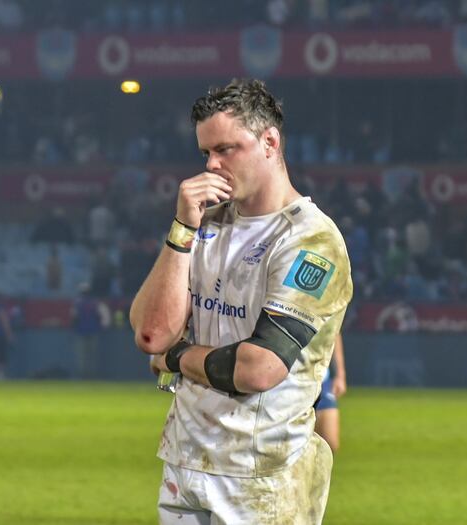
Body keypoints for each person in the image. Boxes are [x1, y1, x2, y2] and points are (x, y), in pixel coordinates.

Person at [130, 79, 353, 524]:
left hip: (261, 476)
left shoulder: (311, 240)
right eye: (205, 153)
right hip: (186, 461)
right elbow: (152, 334)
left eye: (226, 149)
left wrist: (177, 358)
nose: (211, 165)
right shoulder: (204, 222)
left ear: (269, 142)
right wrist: (181, 229)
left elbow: (259, 368)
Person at [314, 332, 347, 453]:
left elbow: (334, 332)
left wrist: (340, 375)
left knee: (330, 443)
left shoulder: (325, 313)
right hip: (289, 382)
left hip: (321, 380)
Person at [71, 283, 103, 379]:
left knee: (82, 357)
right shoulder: (95, 303)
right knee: (92, 356)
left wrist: (73, 330)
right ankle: (91, 375)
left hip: (81, 332)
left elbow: (74, 318)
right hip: (93, 331)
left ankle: (83, 375)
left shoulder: (77, 303)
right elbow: (99, 317)